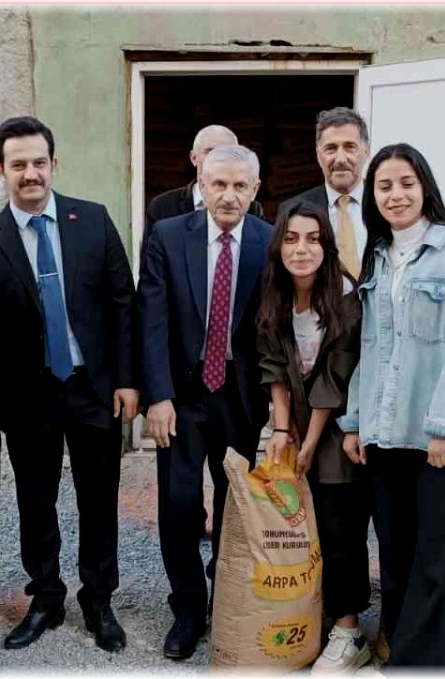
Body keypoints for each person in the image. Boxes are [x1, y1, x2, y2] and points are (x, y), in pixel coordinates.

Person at [0, 116, 137, 653]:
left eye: (39, 163)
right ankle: (46, 597)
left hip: (94, 388)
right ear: (0, 170)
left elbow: (122, 304)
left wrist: (128, 381)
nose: (30, 173)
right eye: (18, 165)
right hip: (27, 397)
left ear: (53, 165)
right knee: (36, 502)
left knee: (99, 500)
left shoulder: (93, 221)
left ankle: (99, 600)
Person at [339, 143, 445, 667]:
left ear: (425, 187)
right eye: (384, 186)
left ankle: (419, 666)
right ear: (373, 196)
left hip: (443, 438)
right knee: (397, 553)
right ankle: (402, 652)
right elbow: (372, 344)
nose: (396, 194)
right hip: (388, 433)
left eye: (406, 182)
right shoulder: (381, 255)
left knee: (438, 557)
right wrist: (356, 421)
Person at [136, 144, 274, 660]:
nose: (229, 195)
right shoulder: (170, 237)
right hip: (182, 397)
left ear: (255, 191)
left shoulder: (271, 240)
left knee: (235, 506)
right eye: (219, 184)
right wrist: (159, 396)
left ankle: (229, 598)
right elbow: (151, 319)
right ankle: (188, 608)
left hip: (240, 400)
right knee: (177, 505)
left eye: (240, 186)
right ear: (201, 182)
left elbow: (277, 327)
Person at [256, 200, 368, 672]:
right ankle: (313, 616)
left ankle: (349, 630)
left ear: (327, 245)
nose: (301, 249)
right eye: (291, 238)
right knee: (304, 524)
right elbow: (274, 366)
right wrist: (282, 429)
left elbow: (335, 379)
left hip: (340, 424)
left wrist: (308, 440)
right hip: (297, 421)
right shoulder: (276, 294)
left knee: (340, 524)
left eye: (312, 239)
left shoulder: (344, 295)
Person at [143, 124, 265, 263]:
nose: (219, 158)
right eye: (210, 151)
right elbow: (151, 267)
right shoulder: (163, 207)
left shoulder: (251, 209)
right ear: (193, 157)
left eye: (227, 152)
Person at [277, 107, 371, 279]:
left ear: (366, 152)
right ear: (319, 156)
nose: (341, 159)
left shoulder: (385, 204)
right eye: (331, 149)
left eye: (350, 147)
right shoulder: (293, 210)